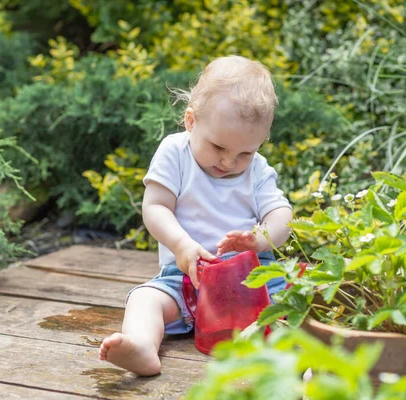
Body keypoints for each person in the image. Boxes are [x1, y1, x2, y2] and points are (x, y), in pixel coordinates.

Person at [99, 55, 293, 376]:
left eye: (245, 152)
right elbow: (156, 207)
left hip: (254, 281)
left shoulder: (257, 170)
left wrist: (260, 240)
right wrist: (181, 245)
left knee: (291, 302)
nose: (229, 162)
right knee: (146, 299)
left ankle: (270, 345)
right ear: (191, 121)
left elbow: (281, 214)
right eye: (218, 147)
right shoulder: (175, 153)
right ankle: (142, 346)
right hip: (188, 276)